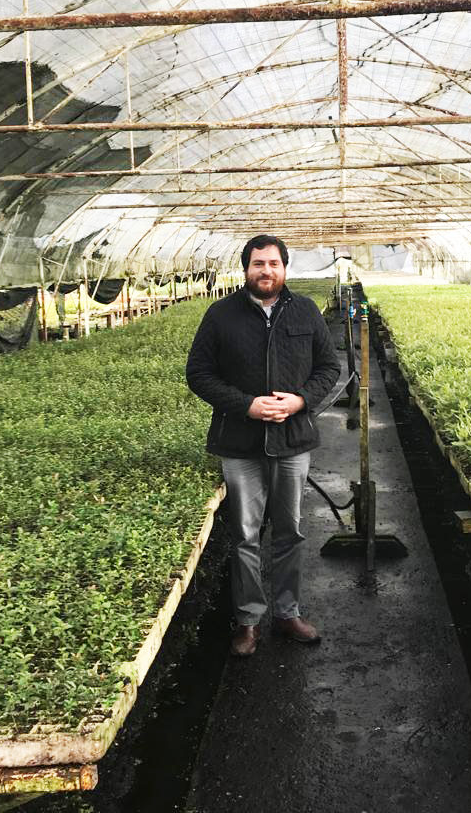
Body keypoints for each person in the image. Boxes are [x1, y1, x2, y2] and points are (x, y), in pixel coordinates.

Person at [186, 235, 341, 657]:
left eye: (273, 263)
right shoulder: (221, 315)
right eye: (258, 264)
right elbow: (198, 373)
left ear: (285, 268)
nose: (266, 271)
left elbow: (329, 367)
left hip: (292, 441)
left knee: (289, 530)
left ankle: (287, 612)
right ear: (245, 268)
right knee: (245, 534)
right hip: (240, 442)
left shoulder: (306, 311)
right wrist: (247, 406)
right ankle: (248, 620)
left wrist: (301, 400)